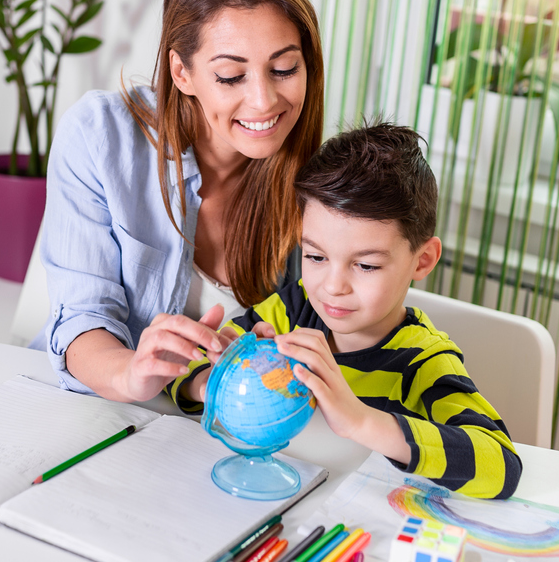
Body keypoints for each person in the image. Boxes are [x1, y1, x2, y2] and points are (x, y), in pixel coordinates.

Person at [30, 0, 325, 402]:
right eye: (231, 76)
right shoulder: (100, 136)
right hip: (86, 410)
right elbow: (82, 320)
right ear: (181, 72)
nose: (264, 101)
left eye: (284, 68)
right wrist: (133, 373)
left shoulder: (316, 185)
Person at [167, 123, 522, 498]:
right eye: (316, 256)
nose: (333, 286)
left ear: (423, 260)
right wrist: (215, 378)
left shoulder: (423, 361)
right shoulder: (291, 310)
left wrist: (360, 420)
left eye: (365, 265)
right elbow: (186, 371)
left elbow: (501, 465)